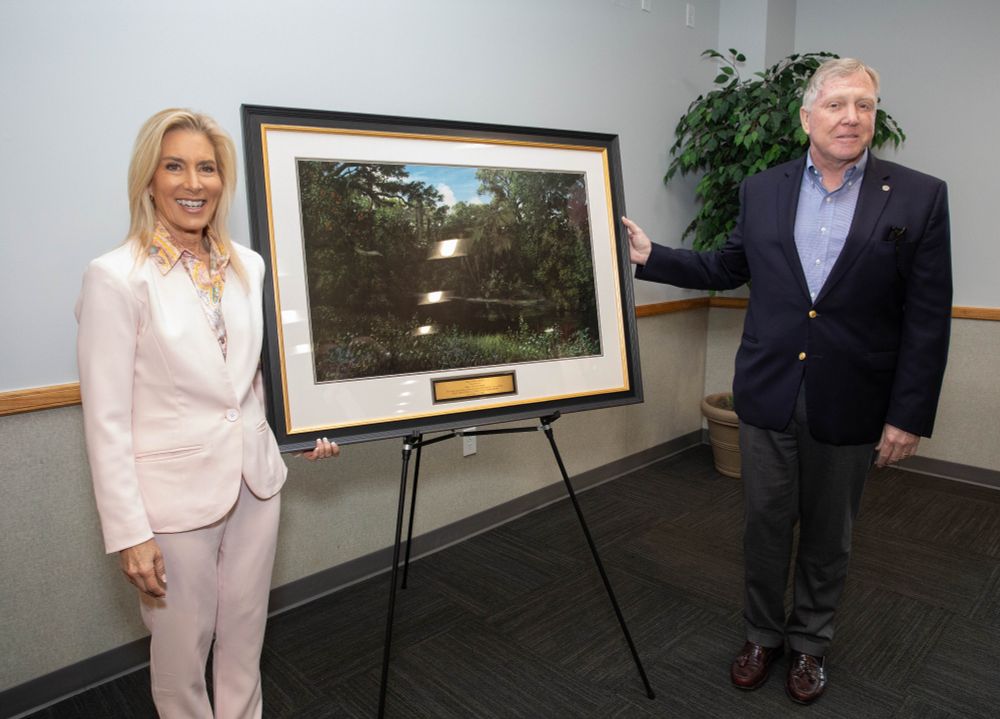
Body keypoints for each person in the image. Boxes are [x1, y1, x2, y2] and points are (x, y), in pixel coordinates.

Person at [623, 58, 951, 704]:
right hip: (769, 390)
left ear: (874, 115)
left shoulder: (918, 195)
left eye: (863, 104)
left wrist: (908, 413)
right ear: (806, 118)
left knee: (830, 535)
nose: (850, 117)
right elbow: (728, 265)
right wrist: (651, 256)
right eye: (835, 105)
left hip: (854, 399)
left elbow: (927, 316)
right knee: (764, 525)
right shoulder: (761, 188)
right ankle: (761, 634)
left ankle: (809, 644)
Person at [76, 108, 339, 718]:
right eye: (175, 167)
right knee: (181, 654)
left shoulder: (249, 265)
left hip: (256, 481)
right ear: (149, 180)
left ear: (223, 181)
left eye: (207, 168)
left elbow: (252, 381)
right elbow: (106, 420)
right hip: (172, 502)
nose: (193, 183)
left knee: (245, 640)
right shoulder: (115, 279)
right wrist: (129, 534)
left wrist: (302, 432)